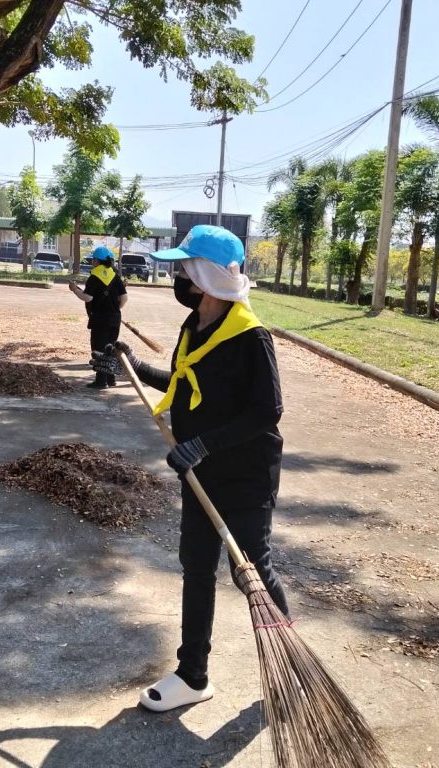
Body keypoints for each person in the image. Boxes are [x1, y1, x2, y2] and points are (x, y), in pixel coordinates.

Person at [95, 225, 288, 712]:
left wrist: (203, 443)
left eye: (186, 270)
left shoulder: (251, 337)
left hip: (245, 475)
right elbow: (183, 384)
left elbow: (267, 411)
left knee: (252, 569)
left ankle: (288, 674)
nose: (179, 278)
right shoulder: (194, 326)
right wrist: (136, 367)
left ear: (208, 277)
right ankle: (193, 674)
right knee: (196, 567)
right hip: (199, 473)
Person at [68, 245, 127, 389]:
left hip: (100, 319)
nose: (92, 262)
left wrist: (75, 290)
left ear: (96, 261)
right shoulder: (115, 277)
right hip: (115, 319)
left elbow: (88, 298)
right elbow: (124, 298)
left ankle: (101, 381)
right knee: (111, 348)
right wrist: (115, 309)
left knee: (99, 348)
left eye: (93, 259)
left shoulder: (94, 277)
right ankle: (110, 379)